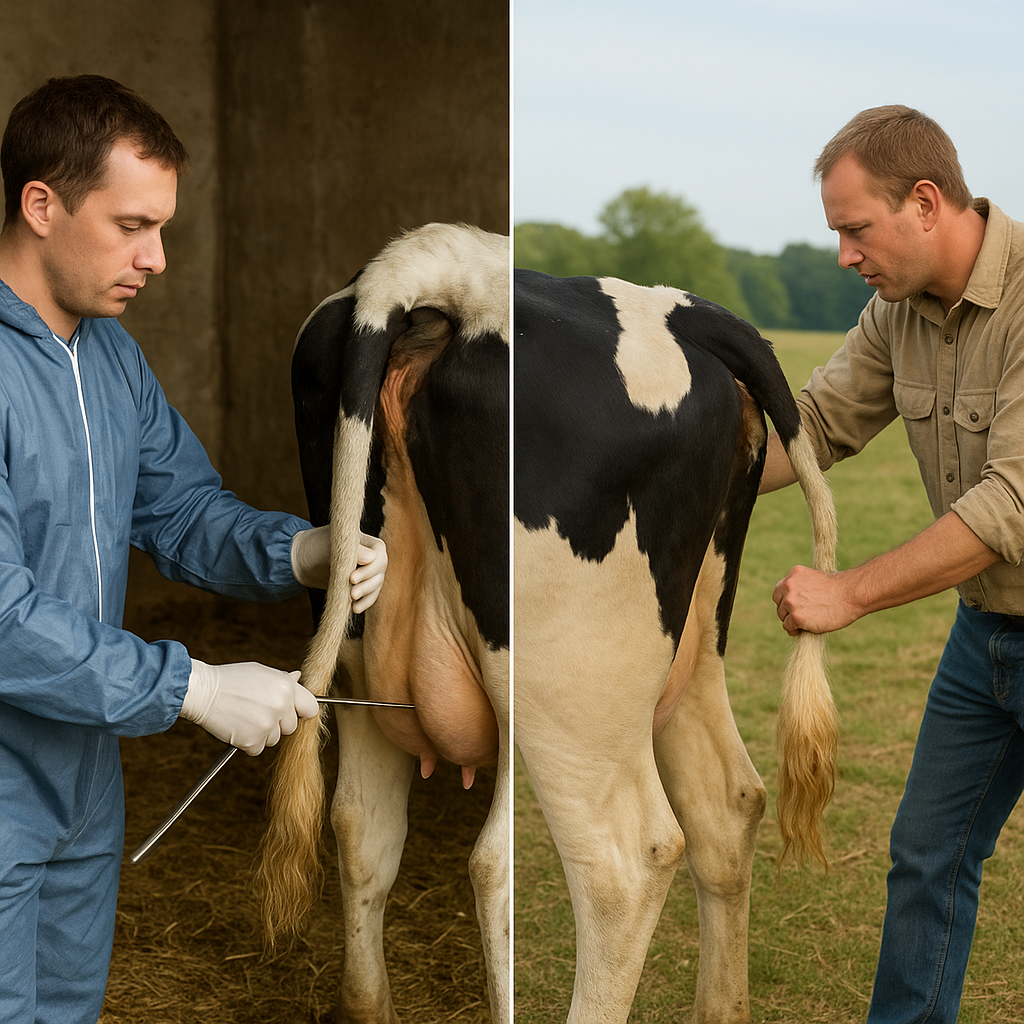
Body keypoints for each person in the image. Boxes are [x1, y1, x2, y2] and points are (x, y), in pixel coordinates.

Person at [0, 75, 386, 1023]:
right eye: (133, 224)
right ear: (41, 205)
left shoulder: (110, 357)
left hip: (84, 779)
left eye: (162, 228)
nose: (158, 258)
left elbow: (179, 512)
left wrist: (303, 552)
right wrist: (194, 689)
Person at [763, 104, 1024, 1022]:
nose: (844, 254)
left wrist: (850, 593)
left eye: (854, 229)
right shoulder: (895, 314)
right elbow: (816, 424)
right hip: (986, 639)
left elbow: (1011, 503)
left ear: (924, 201)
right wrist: (666, 480)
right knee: (927, 855)